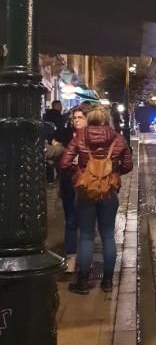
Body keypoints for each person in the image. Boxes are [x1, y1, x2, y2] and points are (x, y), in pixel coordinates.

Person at [60, 105, 133, 295]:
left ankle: (83, 281)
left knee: (86, 236)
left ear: (89, 119)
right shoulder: (117, 138)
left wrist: (80, 174)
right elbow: (128, 165)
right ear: (106, 119)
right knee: (108, 235)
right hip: (108, 192)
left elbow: (65, 162)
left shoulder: (80, 137)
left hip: (86, 192)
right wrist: (113, 174)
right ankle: (107, 281)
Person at [53, 104, 90, 273]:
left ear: (87, 119)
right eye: (74, 118)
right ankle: (71, 257)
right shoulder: (66, 134)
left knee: (86, 223)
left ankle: (84, 259)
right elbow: (52, 142)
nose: (76, 120)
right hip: (69, 183)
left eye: (80, 117)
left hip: (87, 184)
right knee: (71, 221)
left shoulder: (93, 135)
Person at [43, 100, 65, 181]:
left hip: (48, 140)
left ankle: (50, 179)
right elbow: (60, 129)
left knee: (50, 161)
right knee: (57, 158)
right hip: (55, 140)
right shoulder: (57, 115)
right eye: (60, 105)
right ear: (56, 105)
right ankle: (56, 177)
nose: (61, 107)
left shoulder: (46, 115)